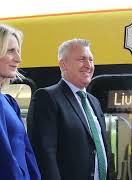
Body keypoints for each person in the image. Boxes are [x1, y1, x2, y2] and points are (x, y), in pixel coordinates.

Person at [27, 39, 113, 180]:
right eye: (82, 59)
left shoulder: (94, 102)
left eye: (91, 60)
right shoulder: (47, 98)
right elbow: (45, 155)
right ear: (63, 64)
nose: (88, 65)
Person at [0, 24, 41, 179]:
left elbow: (27, 153)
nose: (18, 58)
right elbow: (5, 159)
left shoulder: (9, 102)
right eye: (11, 51)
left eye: (18, 51)